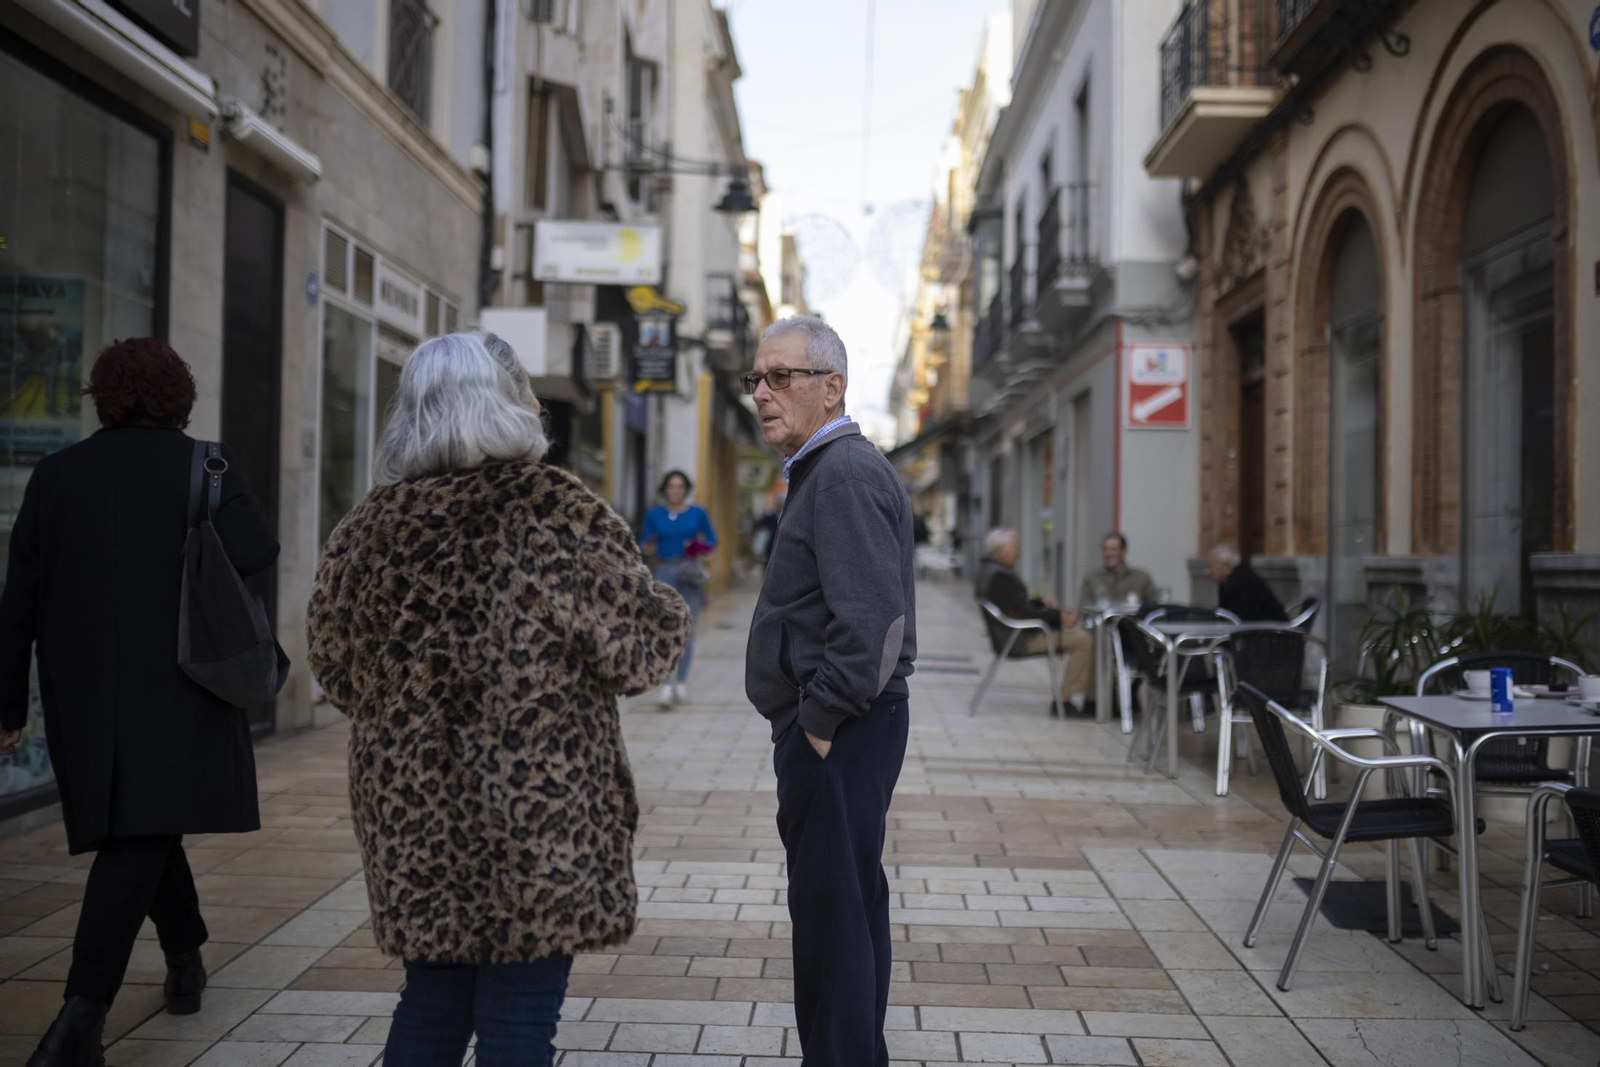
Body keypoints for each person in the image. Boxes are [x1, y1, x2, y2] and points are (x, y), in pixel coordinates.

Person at [306, 331, 690, 1067]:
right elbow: (643, 649)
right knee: (518, 1018)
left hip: (411, 809)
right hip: (538, 813)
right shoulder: (552, 508)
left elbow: (336, 669)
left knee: (431, 1002)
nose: (537, 401)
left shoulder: (367, 528)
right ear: (505, 403)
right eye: (526, 389)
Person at [0, 338, 278, 1067]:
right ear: (179, 397)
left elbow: (17, 603)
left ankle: (184, 956)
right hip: (183, 682)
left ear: (104, 396)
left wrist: (6, 705)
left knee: (141, 826)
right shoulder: (208, 466)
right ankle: (78, 1018)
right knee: (143, 829)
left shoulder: (56, 475)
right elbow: (256, 550)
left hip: (83, 689)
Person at [744, 315, 915, 1067]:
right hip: (842, 727)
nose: (761, 392)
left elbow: (873, 622)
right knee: (846, 906)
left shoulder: (842, 473)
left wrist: (816, 723)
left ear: (831, 386)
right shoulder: (824, 470)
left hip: (840, 730)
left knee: (831, 917)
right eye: (757, 378)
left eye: (781, 377)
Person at [975, 528, 1095, 716]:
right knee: (1083, 641)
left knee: (1083, 638)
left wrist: (1039, 603)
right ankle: (1066, 701)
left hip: (1014, 634)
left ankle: (1089, 699)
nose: (1019, 552)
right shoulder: (999, 576)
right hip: (1018, 638)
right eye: (1016, 547)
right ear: (1000, 550)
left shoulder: (991, 571)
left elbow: (1013, 607)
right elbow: (1017, 613)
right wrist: (1058, 618)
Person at [639, 470, 717, 706]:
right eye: (671, 486)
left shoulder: (698, 513)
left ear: (686, 490)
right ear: (665, 489)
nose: (675, 490)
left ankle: (681, 683)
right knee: (663, 629)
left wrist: (697, 548)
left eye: (680, 486)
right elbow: (643, 543)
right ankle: (665, 684)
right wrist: (649, 547)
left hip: (690, 572)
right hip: (664, 571)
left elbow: (712, 541)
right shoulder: (654, 514)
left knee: (688, 630)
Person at [1078, 531, 1161, 608]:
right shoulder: (1092, 578)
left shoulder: (1141, 578)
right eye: (1105, 549)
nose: (1109, 554)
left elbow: (1154, 606)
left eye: (1113, 549)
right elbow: (1084, 607)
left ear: (1124, 551)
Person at [1207, 543, 1288, 622]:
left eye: (1211, 566)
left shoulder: (1241, 582)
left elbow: (1234, 619)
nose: (1207, 572)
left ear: (1226, 566)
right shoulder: (1232, 579)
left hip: (1273, 631)